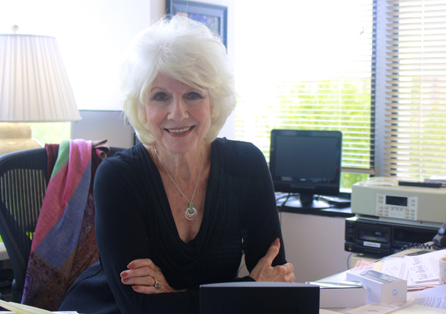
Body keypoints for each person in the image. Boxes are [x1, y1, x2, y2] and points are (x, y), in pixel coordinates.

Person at [58, 15, 295, 314]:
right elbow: (140, 308)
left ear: (214, 101)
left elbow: (275, 284)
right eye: (160, 96)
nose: (178, 113)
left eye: (193, 94)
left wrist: (170, 294)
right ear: (142, 108)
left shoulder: (246, 165)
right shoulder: (118, 177)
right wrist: (246, 289)